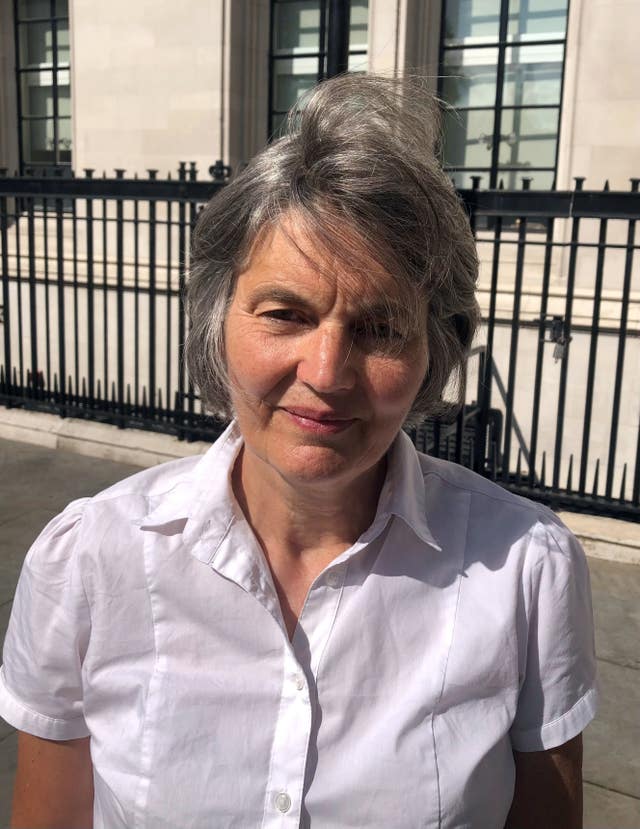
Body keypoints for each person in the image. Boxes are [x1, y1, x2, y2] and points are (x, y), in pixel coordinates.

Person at [0, 75, 597, 829]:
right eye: (286, 312)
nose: (325, 373)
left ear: (431, 351)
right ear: (219, 321)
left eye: (380, 328)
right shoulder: (88, 561)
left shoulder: (526, 570)